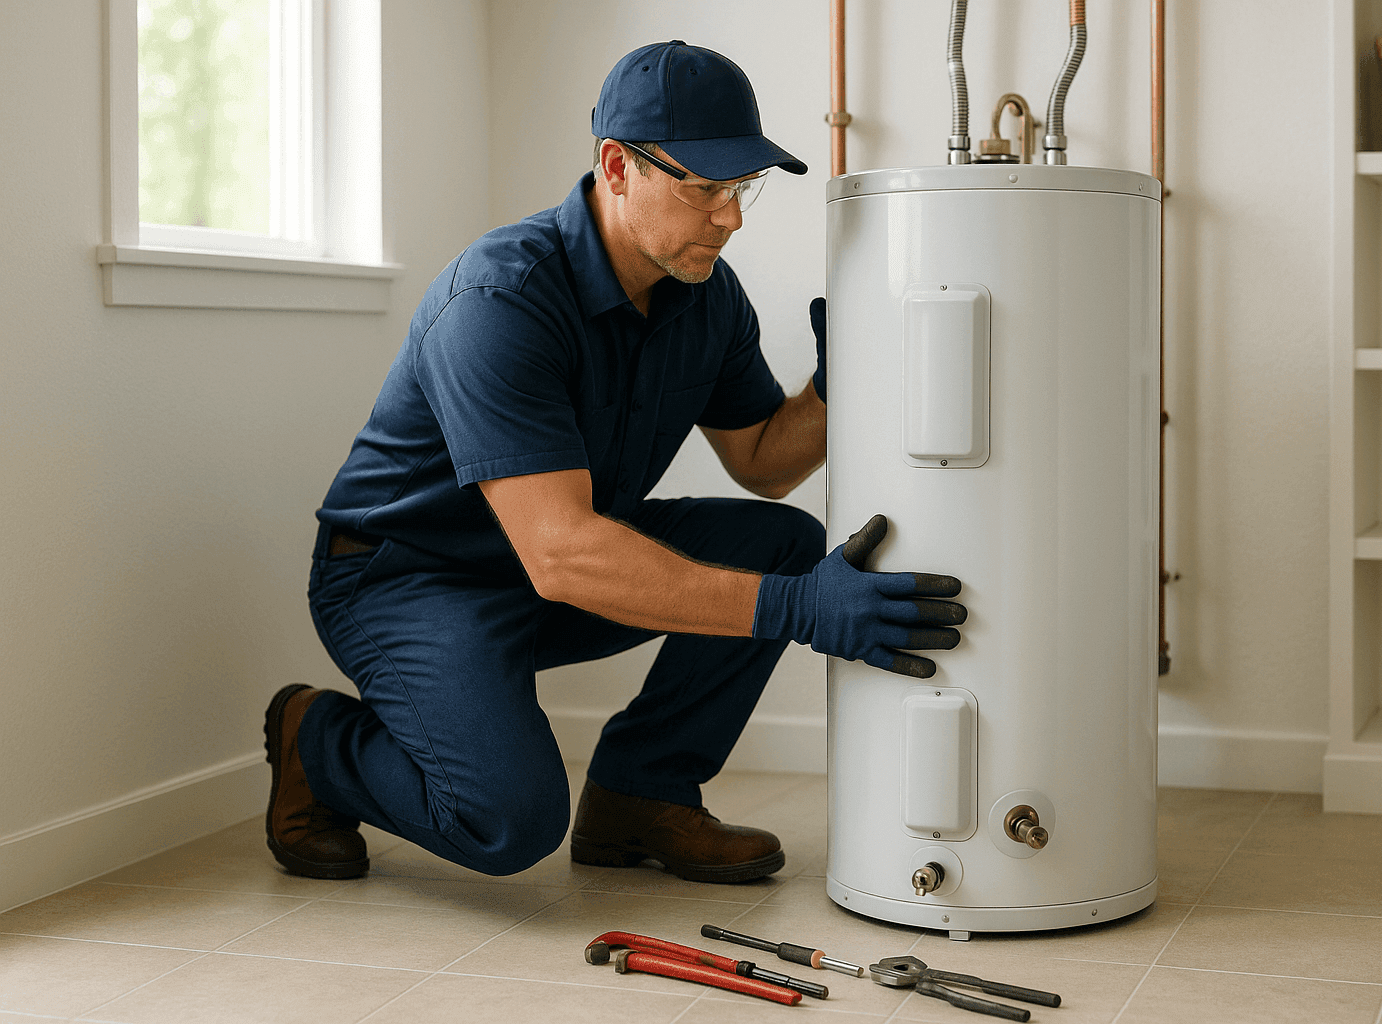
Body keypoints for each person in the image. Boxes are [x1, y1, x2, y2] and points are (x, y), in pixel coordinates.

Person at [264, 40, 967, 886]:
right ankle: (318, 742)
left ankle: (642, 792)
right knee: (508, 820)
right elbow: (562, 553)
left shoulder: (705, 296)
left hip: (546, 567)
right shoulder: (501, 301)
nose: (731, 217)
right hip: (407, 580)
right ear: (617, 166)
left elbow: (762, 461)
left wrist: (836, 383)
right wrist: (797, 610)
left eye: (742, 188)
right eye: (704, 188)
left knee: (778, 540)